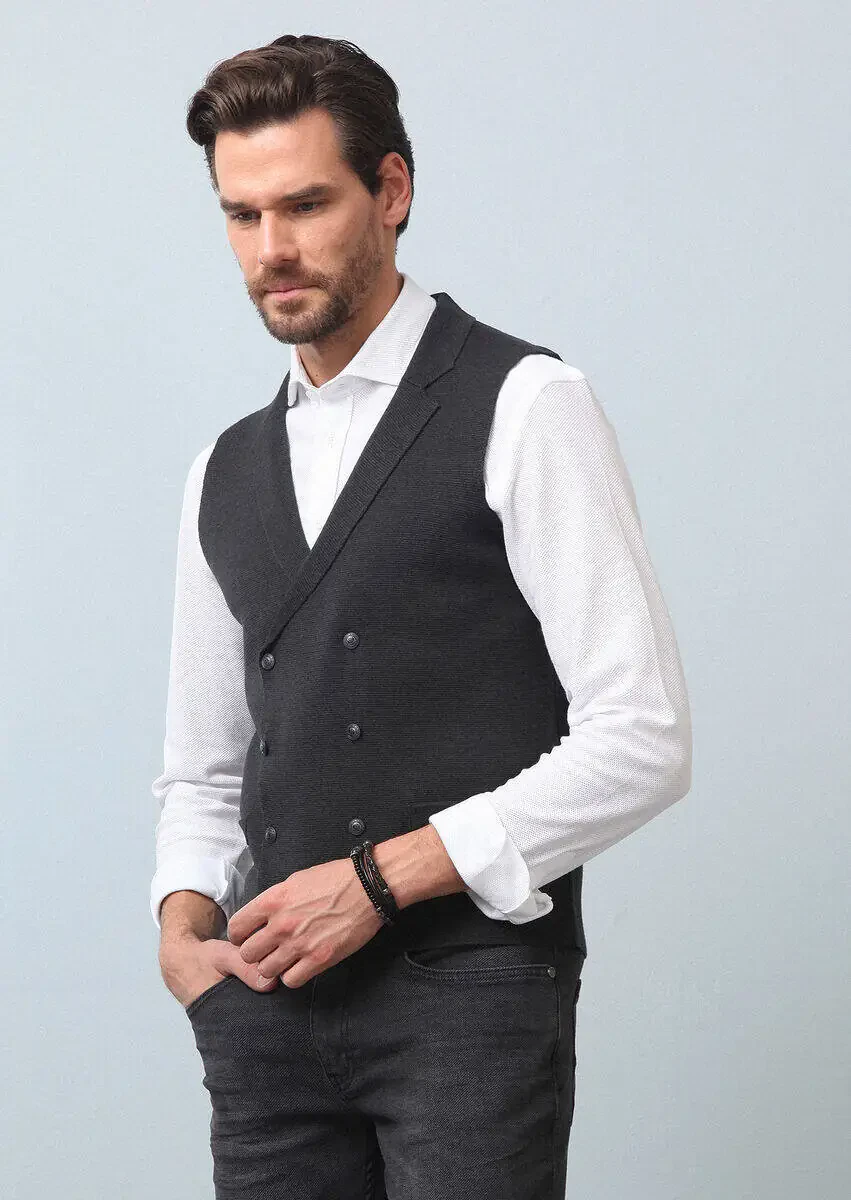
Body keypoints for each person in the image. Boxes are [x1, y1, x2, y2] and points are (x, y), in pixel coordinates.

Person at [150, 32, 692, 1200]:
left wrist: (380, 879)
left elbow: (641, 737)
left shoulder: (526, 404)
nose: (270, 250)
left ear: (390, 191)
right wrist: (183, 927)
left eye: (305, 205)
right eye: (241, 215)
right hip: (265, 1019)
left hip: (470, 1008)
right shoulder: (220, 473)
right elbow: (206, 768)